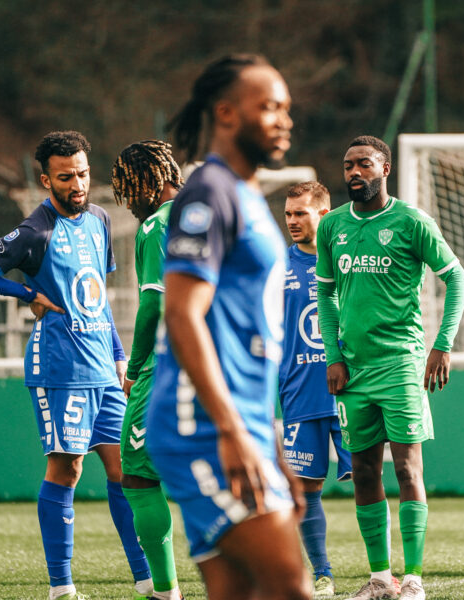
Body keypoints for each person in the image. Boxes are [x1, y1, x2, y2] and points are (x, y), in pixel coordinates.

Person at [0, 131, 152, 600]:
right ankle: (61, 587)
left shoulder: (101, 219)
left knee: (129, 470)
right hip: (60, 368)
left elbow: (98, 301)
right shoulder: (34, 232)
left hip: (104, 367)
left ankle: (148, 580)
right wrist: (26, 293)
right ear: (47, 181)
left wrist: (121, 358)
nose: (78, 184)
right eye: (66, 177)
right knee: (67, 470)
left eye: (83, 174)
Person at [144, 54, 310, 600]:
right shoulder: (207, 193)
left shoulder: (249, 198)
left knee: (238, 593)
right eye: (268, 107)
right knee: (290, 584)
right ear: (226, 113)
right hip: (204, 429)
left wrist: (274, 448)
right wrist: (233, 432)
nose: (283, 119)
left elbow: (245, 343)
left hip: (243, 426)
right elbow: (181, 313)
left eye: (286, 107)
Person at [316, 135, 464, 600]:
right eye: (348, 166)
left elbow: (456, 279)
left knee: (407, 469)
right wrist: (334, 355)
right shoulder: (332, 227)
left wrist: (442, 345)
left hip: (402, 363)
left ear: (385, 169)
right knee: (362, 472)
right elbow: (325, 294)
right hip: (354, 370)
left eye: (364, 164)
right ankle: (381, 578)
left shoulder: (411, 222)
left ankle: (415, 579)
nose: (354, 173)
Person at [111, 140, 185, 600]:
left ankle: (164, 591)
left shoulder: (159, 224)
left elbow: (153, 301)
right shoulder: (213, 216)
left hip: (169, 368)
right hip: (228, 367)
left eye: (129, 189)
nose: (129, 202)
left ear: (150, 182)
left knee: (137, 475)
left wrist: (135, 367)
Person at [280, 180, 353, 598]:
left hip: (350, 390)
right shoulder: (277, 267)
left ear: (323, 215)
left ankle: (381, 570)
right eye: (288, 213)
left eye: (300, 213)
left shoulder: (346, 262)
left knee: (365, 480)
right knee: (306, 487)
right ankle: (323, 573)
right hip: (298, 393)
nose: (292, 221)